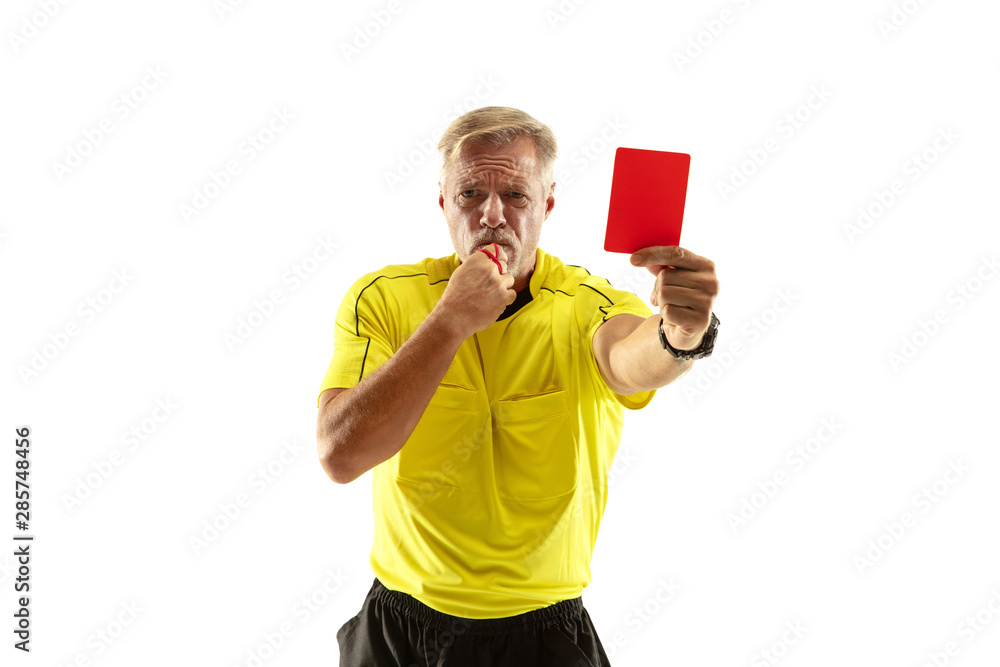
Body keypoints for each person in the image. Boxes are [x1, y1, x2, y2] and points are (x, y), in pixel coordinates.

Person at [316, 106, 720, 666]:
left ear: (547, 203)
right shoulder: (383, 298)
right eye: (469, 195)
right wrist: (450, 319)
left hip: (542, 637)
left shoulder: (586, 304)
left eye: (516, 195)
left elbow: (631, 357)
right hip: (399, 629)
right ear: (443, 202)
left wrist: (681, 334)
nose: (491, 215)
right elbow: (340, 455)